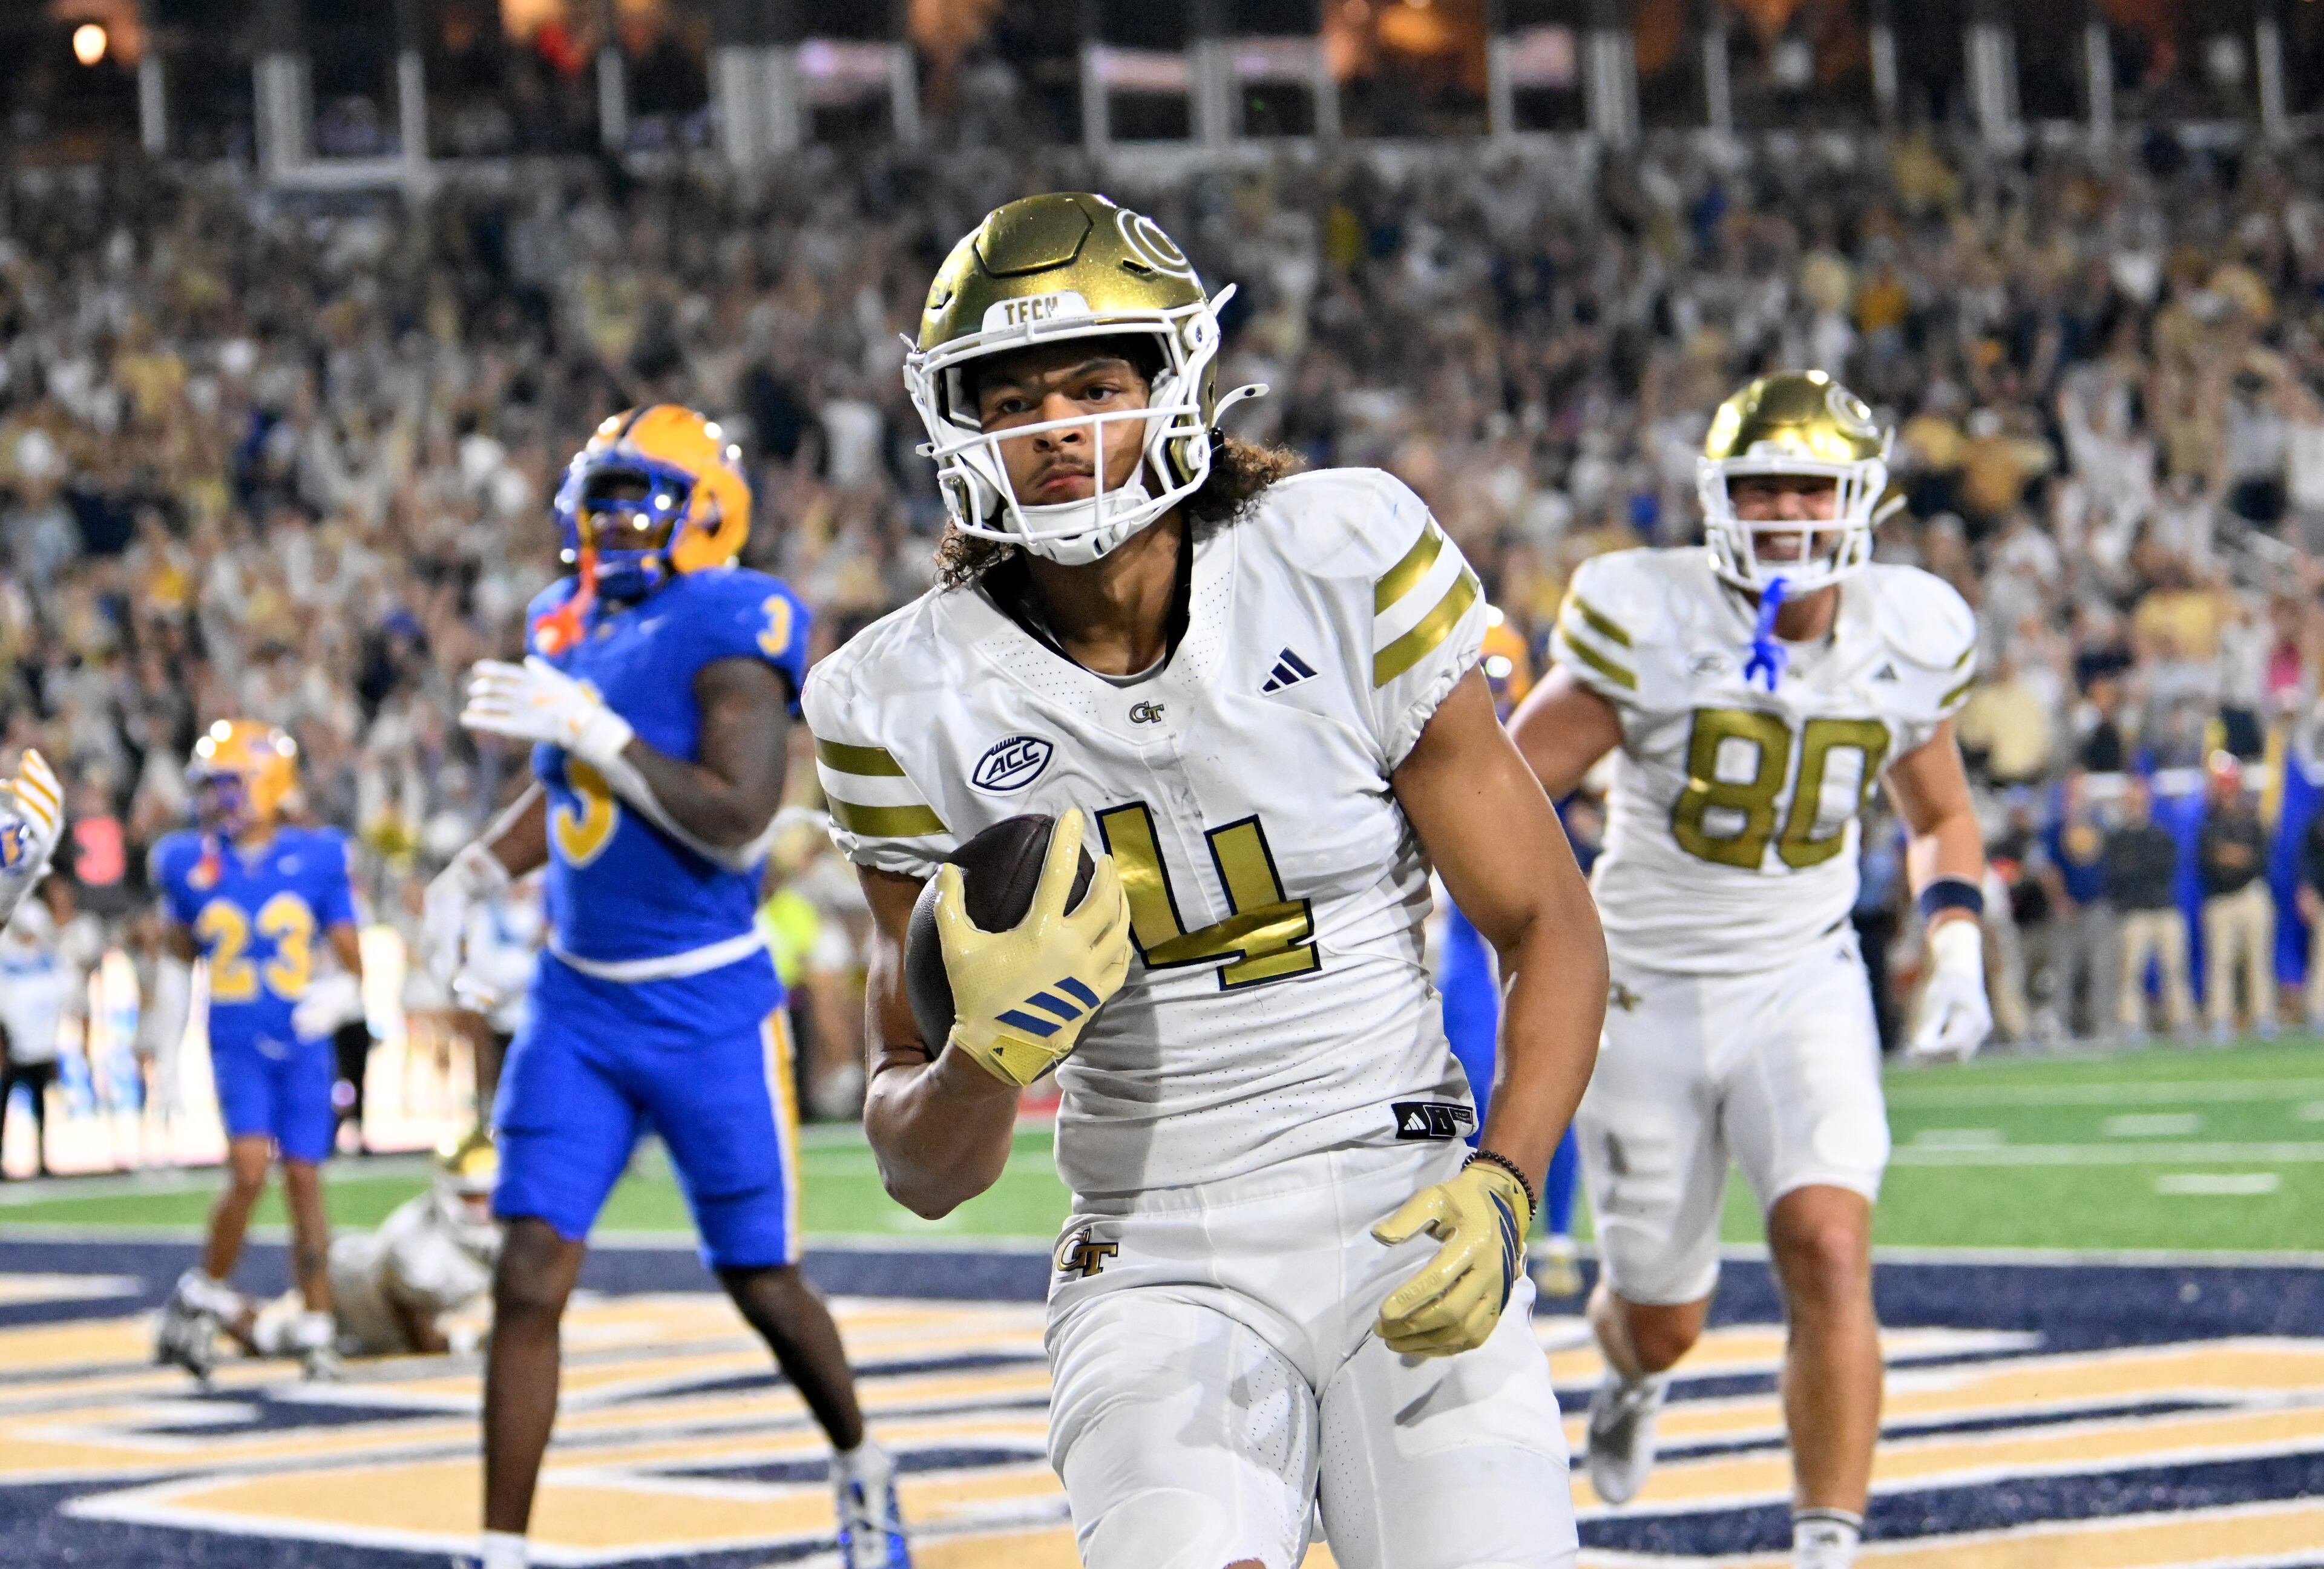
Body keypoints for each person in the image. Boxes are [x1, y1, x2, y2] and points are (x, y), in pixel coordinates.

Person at [807, 192, 1605, 1569]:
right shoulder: (894, 697)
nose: (1055, 427)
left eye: (1094, 384)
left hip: (1401, 1195)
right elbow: (922, 1161)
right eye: (1010, 399)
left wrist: (1509, 1182)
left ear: (1172, 381)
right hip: (1152, 1249)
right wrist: (978, 1068)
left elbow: (1548, 925)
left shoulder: (1335, 554)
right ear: (953, 426)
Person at [1509, 370, 1993, 1569]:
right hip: (1643, 991)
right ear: (1715, 498)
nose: (1782, 509)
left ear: (1857, 500)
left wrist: (1961, 939)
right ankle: (1629, 1377)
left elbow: (1939, 811)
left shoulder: (1906, 629)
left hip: (1803, 976)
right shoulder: (1649, 616)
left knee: (1829, 1247)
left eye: (1807, 485)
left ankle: (1827, 1544)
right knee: (1664, 1320)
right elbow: (1505, 795)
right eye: (1758, 485)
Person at [423, 404, 908, 1569]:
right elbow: (572, 788)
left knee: (760, 1277)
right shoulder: (567, 617)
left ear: (706, 511)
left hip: (704, 1004)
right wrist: (485, 858)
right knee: (530, 1269)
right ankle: (502, 1548)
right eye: (600, 502)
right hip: (576, 1003)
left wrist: (591, 725)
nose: (614, 525)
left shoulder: (734, 617)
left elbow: (735, 821)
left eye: (638, 498)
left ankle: (860, 1460)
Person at [146, 720, 366, 1381]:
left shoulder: (319, 854)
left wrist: (340, 998)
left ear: (268, 784)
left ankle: (320, 1323)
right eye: (210, 786)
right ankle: (205, 1290)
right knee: (248, 1170)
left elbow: (353, 959)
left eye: (229, 784)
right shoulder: (187, 860)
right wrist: (166, 1046)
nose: (216, 799)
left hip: (302, 1044)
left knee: (304, 1178)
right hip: (236, 1040)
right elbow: (179, 961)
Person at [1436, 609, 1585, 1298]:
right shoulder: (1415, 731)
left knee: (1541, 1072)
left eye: (1494, 673)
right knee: (1468, 1074)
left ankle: (1554, 1232)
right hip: (1452, 935)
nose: (1485, 688)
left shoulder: (1536, 749)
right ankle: (1482, 1223)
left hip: (1512, 930)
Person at [216, 1128, 502, 1361]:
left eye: (490, 1195)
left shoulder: (511, 1229)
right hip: (346, 1293)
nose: (484, 1209)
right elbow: (426, 1341)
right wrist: (479, 1340)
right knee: (273, 1335)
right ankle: (223, 1311)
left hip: (427, 1300)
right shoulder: (414, 1247)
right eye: (473, 1196)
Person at [0, 877, 100, 1176]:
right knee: (5, 1105)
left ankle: (42, 1160)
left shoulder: (49, 961)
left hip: (42, 1045)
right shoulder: (8, 960)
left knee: (41, 1108)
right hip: (12, 1045)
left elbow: (72, 994)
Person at [2195, 751, 2276, 1041]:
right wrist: (2235, 855)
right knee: (2220, 964)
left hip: (2250, 893)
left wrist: (2229, 855)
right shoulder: (2208, 821)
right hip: (2220, 898)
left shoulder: (2251, 819)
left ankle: (2264, 1017)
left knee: (2259, 960)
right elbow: (2208, 859)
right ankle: (2220, 1020)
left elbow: (2258, 859)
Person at [2107, 775, 2195, 1037]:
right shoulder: (2118, 839)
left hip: (2163, 910)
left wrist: (2136, 872)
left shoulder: (2159, 835)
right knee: (2130, 974)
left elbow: (2162, 870)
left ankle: (2181, 1021)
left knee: (2175, 971)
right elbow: (2117, 877)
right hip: (2135, 914)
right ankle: (2131, 1025)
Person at [2034, 768, 2116, 1040]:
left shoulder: (2099, 824)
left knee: (2101, 969)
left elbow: (2106, 864)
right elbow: (2046, 868)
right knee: (2063, 970)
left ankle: (2103, 1026)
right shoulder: (2054, 827)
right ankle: (2060, 1027)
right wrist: (2059, 900)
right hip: (2066, 909)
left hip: (2097, 906)